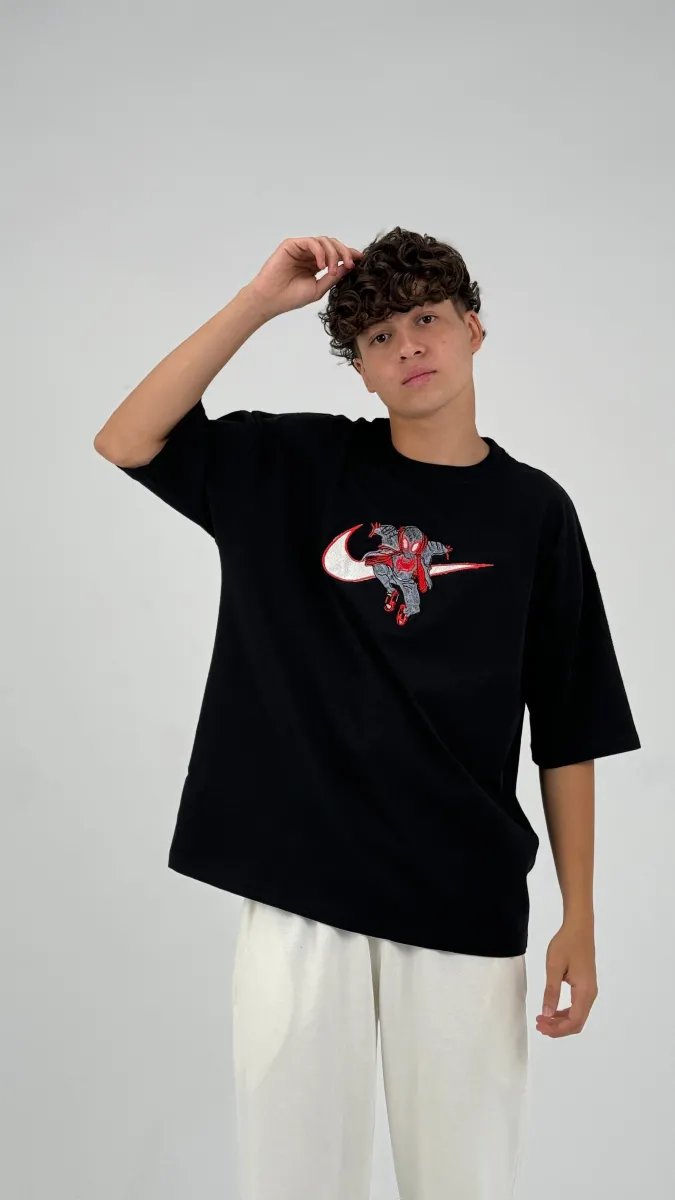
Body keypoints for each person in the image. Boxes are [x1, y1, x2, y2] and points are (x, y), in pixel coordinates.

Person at [94, 228, 641, 1200]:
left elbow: (570, 725)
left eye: (427, 318)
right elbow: (127, 439)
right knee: (294, 1181)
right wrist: (259, 302)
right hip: (302, 891)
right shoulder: (294, 467)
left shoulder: (535, 513)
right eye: (379, 337)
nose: (408, 346)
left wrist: (581, 918)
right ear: (360, 369)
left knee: (465, 1183)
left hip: (462, 894)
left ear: (474, 329)